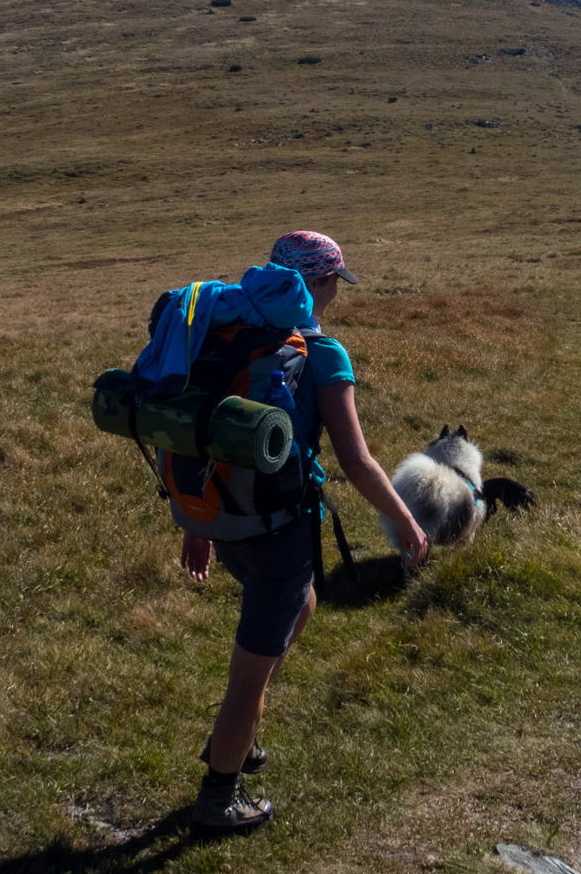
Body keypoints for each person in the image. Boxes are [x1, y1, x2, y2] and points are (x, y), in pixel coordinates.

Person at [182, 230, 431, 834]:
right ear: (316, 284)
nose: (336, 296)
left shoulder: (224, 331)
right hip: (281, 530)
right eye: (333, 283)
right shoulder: (322, 352)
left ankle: (238, 735)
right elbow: (356, 461)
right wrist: (407, 522)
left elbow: (192, 433)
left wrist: (197, 523)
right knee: (251, 670)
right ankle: (219, 792)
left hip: (226, 519)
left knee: (303, 606)